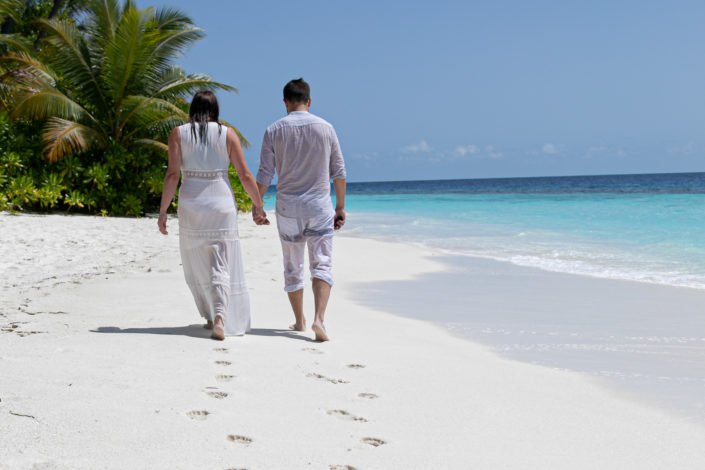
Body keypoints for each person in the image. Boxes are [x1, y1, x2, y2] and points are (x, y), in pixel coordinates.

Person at [158, 91, 269, 340]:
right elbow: (245, 175)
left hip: (191, 202)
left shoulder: (178, 133)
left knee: (196, 260)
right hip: (221, 201)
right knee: (221, 259)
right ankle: (219, 315)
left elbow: (172, 175)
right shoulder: (227, 134)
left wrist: (163, 210)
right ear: (215, 109)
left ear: (192, 108)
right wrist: (258, 204)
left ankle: (211, 314)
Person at [256, 78, 346, 342]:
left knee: (292, 265)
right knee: (322, 263)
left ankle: (299, 320)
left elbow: (265, 173)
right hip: (318, 205)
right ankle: (319, 319)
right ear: (309, 101)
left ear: (285, 102)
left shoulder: (273, 130)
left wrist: (257, 205)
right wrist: (340, 207)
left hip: (288, 207)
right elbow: (339, 172)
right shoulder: (326, 128)